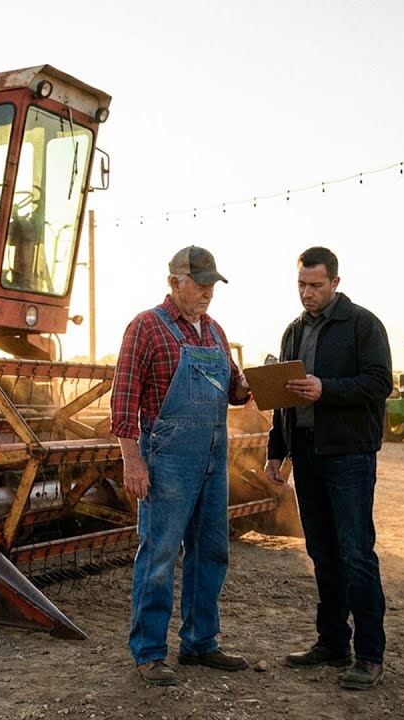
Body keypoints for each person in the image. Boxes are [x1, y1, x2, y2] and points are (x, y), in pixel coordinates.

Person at [111, 245, 253, 686]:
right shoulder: (146, 327)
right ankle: (150, 651)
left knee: (211, 551)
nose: (209, 292)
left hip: (213, 453)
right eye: (201, 283)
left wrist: (248, 385)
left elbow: (232, 390)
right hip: (167, 458)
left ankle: (200, 642)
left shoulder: (214, 332)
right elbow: (123, 400)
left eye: (213, 284)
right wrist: (132, 461)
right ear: (174, 282)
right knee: (159, 554)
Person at [264, 246, 393, 691]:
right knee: (320, 551)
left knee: (355, 553)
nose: (307, 293)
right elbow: (282, 395)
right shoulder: (293, 331)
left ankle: (370, 655)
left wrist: (326, 389)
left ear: (335, 282)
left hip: (350, 455)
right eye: (301, 284)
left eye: (315, 285)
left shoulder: (363, 325)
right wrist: (275, 452)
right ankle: (333, 643)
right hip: (307, 455)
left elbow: (380, 383)